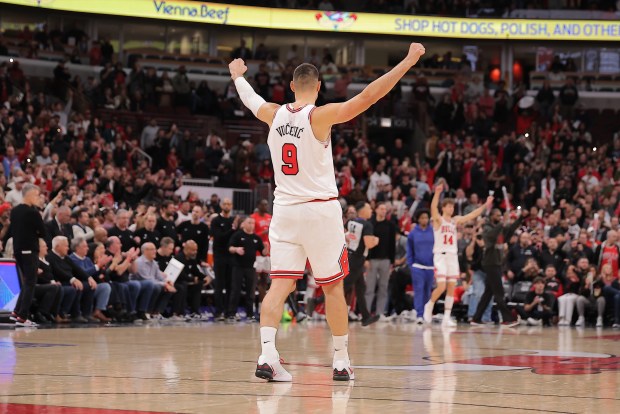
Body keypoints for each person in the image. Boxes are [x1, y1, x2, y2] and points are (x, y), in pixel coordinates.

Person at [229, 41, 426, 382]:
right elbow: (367, 98)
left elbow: (251, 100)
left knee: (279, 286)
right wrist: (408, 61)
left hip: (285, 210)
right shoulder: (319, 116)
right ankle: (340, 361)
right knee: (333, 288)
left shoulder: (274, 113)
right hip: (319, 212)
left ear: (291, 86)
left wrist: (237, 77)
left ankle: (267, 355)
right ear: (318, 88)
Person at [424, 183, 492, 327]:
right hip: (441, 256)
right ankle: (429, 305)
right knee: (441, 286)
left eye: (452, 206)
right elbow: (432, 209)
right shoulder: (438, 220)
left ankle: (446, 317)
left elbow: (472, 215)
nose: (451, 208)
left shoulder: (455, 221)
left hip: (452, 256)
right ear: (443, 208)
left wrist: (485, 205)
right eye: (448, 206)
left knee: (451, 287)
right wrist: (436, 193)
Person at [471, 208, 526, 327]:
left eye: (500, 215)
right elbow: (491, 235)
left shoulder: (499, 228)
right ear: (491, 216)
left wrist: (520, 218)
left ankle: (476, 318)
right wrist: (503, 222)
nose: (499, 217)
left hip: (496, 263)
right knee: (499, 292)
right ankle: (508, 319)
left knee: (488, 293)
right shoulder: (487, 228)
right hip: (490, 264)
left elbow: (510, 230)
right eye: (497, 215)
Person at [6, 184, 47, 327]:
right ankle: (23, 317)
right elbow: (43, 232)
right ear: (28, 194)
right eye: (36, 195)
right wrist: (36, 232)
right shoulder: (33, 213)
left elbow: (11, 231)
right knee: (30, 282)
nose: (38, 198)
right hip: (29, 250)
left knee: (27, 282)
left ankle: (17, 312)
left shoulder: (15, 211)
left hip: (18, 250)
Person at [344, 202, 380, 326]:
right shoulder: (367, 225)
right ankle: (316, 301)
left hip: (349, 255)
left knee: (360, 288)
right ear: (363, 210)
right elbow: (369, 244)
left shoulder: (351, 221)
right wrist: (376, 240)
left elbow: (344, 234)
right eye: (369, 208)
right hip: (358, 258)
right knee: (344, 286)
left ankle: (365, 316)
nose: (371, 210)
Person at [228, 217, 269, 323]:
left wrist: (266, 248)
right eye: (249, 222)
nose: (251, 225)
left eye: (253, 223)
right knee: (235, 290)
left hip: (251, 268)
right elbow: (230, 248)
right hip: (238, 267)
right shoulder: (238, 235)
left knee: (250, 292)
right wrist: (236, 249)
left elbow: (263, 253)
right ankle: (232, 313)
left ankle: (250, 315)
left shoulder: (256, 238)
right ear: (244, 224)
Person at [365, 202, 397, 320]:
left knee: (383, 287)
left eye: (385, 209)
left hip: (385, 260)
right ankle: (366, 312)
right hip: (372, 260)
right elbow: (367, 243)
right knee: (370, 288)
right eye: (381, 209)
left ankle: (379, 313)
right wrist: (366, 259)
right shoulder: (370, 224)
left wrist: (392, 262)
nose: (384, 211)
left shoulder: (390, 225)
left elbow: (392, 245)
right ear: (376, 210)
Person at [211, 198, 240, 321]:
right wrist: (232, 229)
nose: (227, 206)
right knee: (219, 284)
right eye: (225, 204)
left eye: (229, 204)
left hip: (231, 257)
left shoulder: (234, 220)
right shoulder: (216, 220)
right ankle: (219, 312)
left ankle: (229, 312)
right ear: (221, 205)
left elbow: (236, 238)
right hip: (219, 256)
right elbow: (219, 237)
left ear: (231, 205)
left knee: (230, 285)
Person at [407, 210, 434, 325]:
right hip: (417, 266)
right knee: (418, 290)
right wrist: (411, 264)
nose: (424, 220)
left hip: (430, 267)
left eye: (426, 218)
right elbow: (409, 250)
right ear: (418, 219)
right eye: (422, 218)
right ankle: (419, 314)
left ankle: (426, 314)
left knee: (428, 291)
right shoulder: (413, 233)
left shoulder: (433, 231)